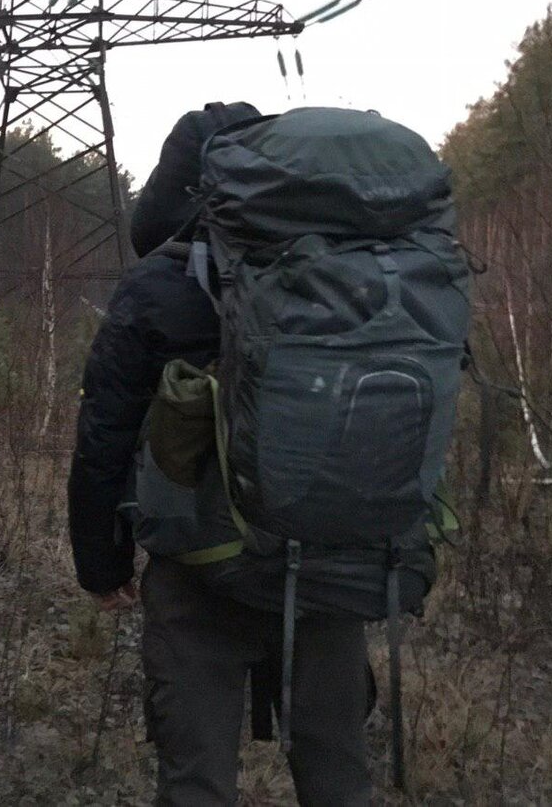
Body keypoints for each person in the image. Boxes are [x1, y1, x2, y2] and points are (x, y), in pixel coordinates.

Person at [68, 103, 373, 805]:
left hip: (199, 573)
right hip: (330, 568)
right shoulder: (353, 281)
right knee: (338, 777)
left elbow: (105, 435)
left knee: (196, 781)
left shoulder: (155, 286)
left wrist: (102, 562)